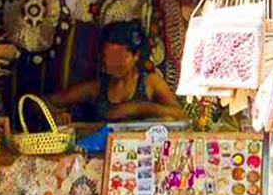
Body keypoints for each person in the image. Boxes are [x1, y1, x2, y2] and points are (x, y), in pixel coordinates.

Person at [47, 21, 187, 122]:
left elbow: (182, 115)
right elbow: (42, 102)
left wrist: (139, 108)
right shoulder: (97, 88)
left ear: (136, 55)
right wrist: (55, 114)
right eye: (109, 57)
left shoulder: (150, 82)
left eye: (119, 56)